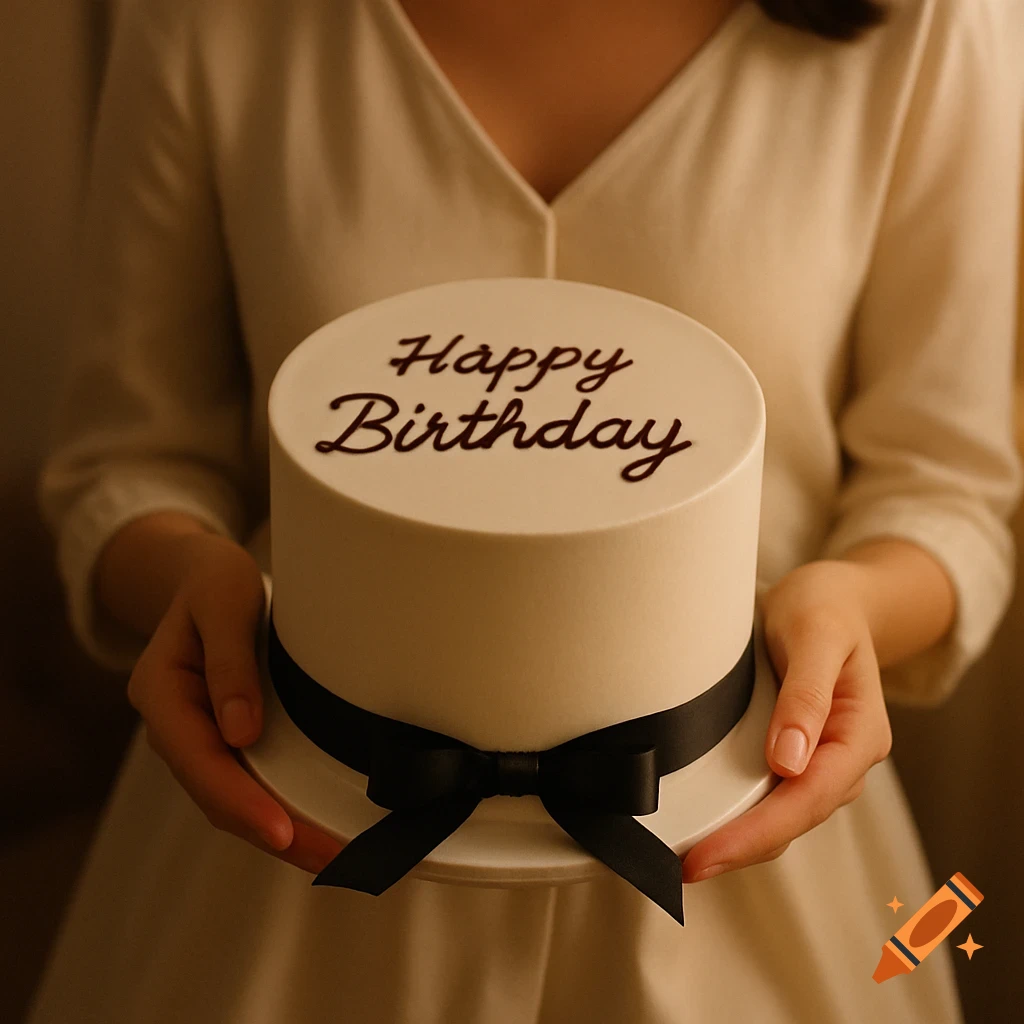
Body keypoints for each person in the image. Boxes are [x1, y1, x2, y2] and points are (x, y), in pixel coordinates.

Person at [27, 0, 1021, 1021]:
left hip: (752, 840)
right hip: (283, 842)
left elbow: (941, 486)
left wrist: (852, 606)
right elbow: (128, 462)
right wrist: (189, 576)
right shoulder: (207, 19)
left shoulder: (937, 23)